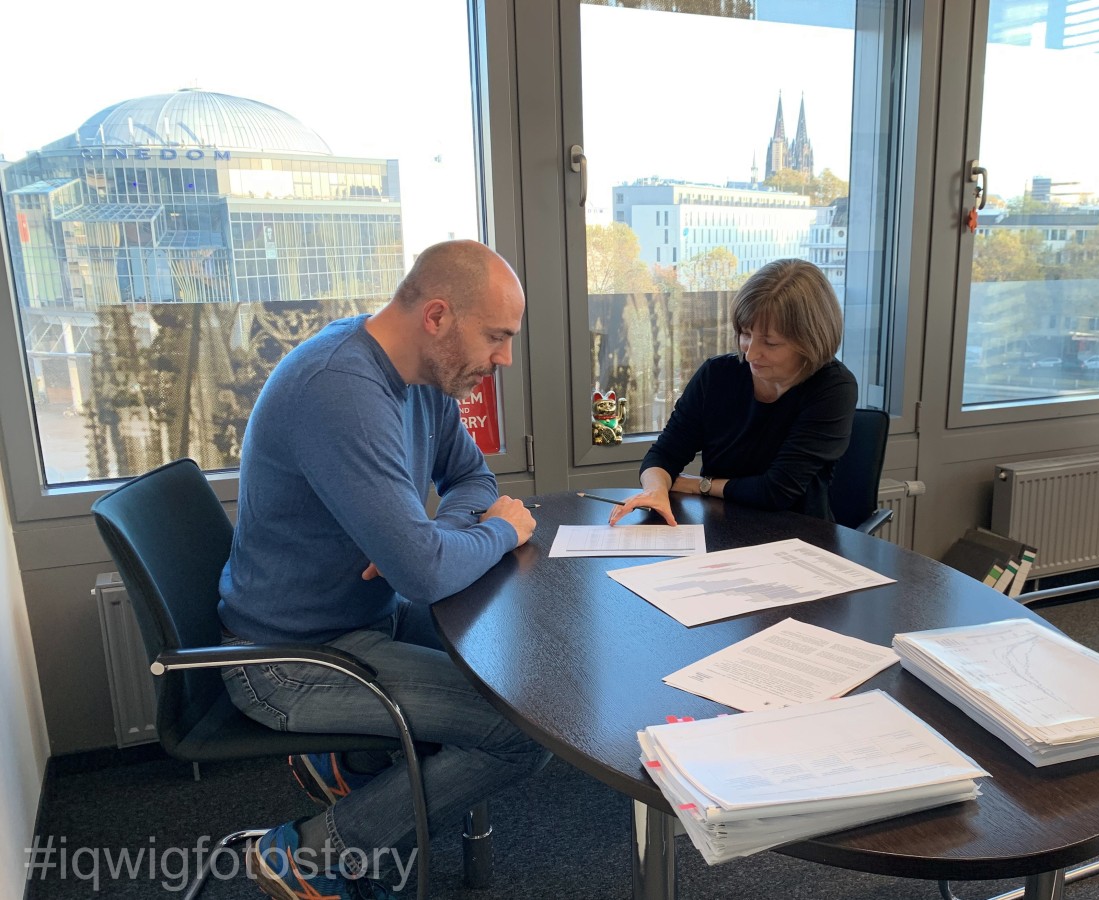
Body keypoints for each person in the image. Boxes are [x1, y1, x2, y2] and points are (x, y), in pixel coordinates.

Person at [217, 240, 550, 899]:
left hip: (361, 621)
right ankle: (309, 854)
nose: (503, 360)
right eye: (496, 337)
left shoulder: (421, 381)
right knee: (519, 732)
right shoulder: (339, 389)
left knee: (514, 674)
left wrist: (441, 535)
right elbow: (425, 574)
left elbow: (472, 477)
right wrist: (500, 531)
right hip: (287, 660)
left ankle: (353, 760)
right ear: (435, 316)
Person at [610, 258, 857, 527]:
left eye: (770, 342)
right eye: (746, 333)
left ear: (810, 340)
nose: (750, 353)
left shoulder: (833, 388)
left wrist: (699, 485)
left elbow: (776, 491)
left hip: (798, 536)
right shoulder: (717, 374)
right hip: (722, 528)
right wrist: (655, 489)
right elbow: (664, 454)